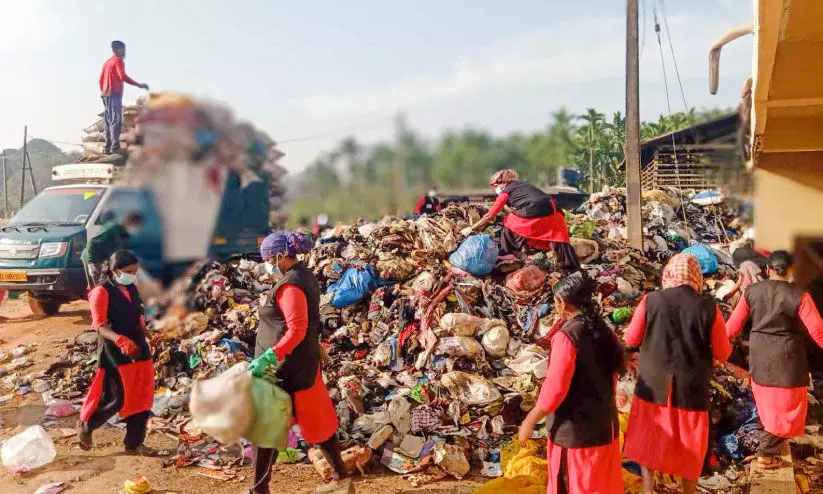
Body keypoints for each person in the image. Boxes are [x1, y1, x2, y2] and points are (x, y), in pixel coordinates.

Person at [622, 253, 731, 494]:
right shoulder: (708, 307)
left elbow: (631, 338)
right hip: (690, 386)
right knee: (689, 442)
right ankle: (688, 490)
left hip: (653, 383)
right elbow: (723, 352)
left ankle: (648, 488)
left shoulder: (651, 300)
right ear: (696, 276)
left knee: (650, 435)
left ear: (669, 272)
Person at [248, 231, 347, 494]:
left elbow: (297, 329)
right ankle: (340, 474)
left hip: (283, 369)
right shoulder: (302, 276)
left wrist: (269, 356)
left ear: (280, 257)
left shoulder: (291, 285)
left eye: (269, 258)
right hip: (300, 365)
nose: (268, 264)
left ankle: (259, 490)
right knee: (316, 420)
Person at [518, 272, 624, 493]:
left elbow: (556, 388)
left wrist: (531, 420)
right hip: (605, 427)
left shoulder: (567, 336)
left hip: (576, 434)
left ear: (561, 303)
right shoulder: (604, 331)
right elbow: (612, 377)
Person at [725, 250, 823, 468]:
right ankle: (766, 454)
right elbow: (818, 330)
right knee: (788, 410)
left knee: (767, 405)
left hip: (760, 357)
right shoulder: (799, 295)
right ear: (790, 271)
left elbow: (731, 328)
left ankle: (768, 448)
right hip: (788, 359)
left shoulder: (751, 291)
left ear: (768, 270)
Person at [77, 250, 158, 455]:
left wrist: (148, 333)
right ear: (115, 270)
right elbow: (99, 325)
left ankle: (134, 443)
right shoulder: (101, 292)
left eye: (135, 271)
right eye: (129, 271)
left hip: (138, 347)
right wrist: (120, 340)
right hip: (114, 350)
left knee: (142, 395)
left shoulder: (131, 288)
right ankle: (87, 425)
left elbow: (137, 315)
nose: (133, 275)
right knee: (116, 396)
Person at [472, 169, 579, 271]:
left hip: (535, 209)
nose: (495, 189)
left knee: (510, 221)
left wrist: (472, 228)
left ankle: (508, 252)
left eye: (495, 186)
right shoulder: (523, 186)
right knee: (557, 238)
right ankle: (572, 266)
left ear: (503, 182)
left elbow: (490, 215)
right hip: (555, 209)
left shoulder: (506, 192)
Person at [99, 40, 149, 154]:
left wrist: (104, 91)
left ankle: (107, 146)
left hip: (105, 94)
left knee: (108, 120)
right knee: (115, 119)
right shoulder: (118, 60)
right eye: (123, 49)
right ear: (116, 50)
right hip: (114, 93)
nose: (124, 51)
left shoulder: (107, 63)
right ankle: (115, 146)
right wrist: (138, 84)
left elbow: (100, 80)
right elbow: (122, 76)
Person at [82, 213, 143, 286]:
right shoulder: (112, 228)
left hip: (106, 259)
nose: (136, 228)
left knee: (109, 284)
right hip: (94, 258)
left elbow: (125, 249)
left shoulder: (125, 233)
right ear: (129, 222)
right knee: (98, 285)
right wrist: (91, 263)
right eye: (135, 225)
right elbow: (93, 243)